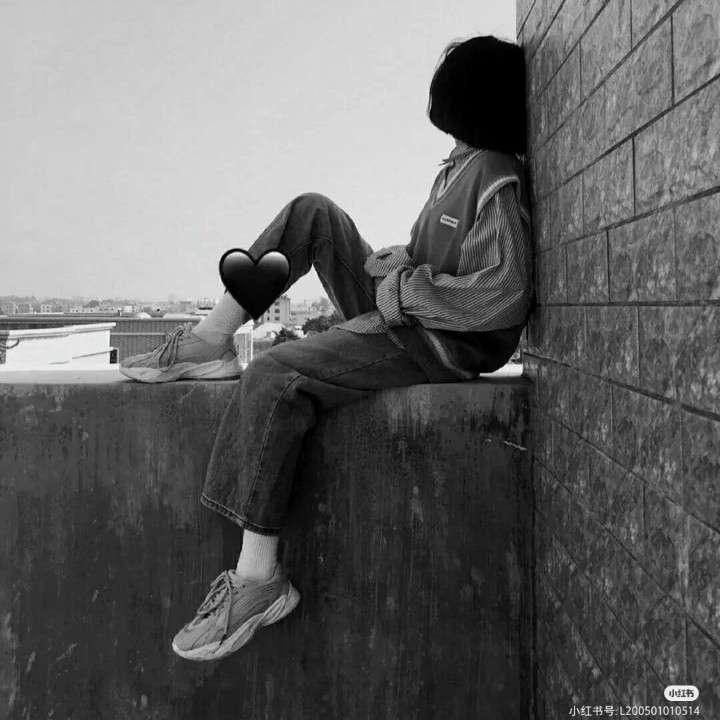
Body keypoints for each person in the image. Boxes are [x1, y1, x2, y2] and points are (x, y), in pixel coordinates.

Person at [119, 34, 535, 662]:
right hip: (409, 311)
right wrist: (399, 263)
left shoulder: (496, 177)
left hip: (438, 342)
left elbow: (503, 295)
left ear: (467, 104)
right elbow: (443, 256)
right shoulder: (459, 166)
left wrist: (405, 289)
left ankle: (258, 580)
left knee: (274, 375)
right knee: (313, 212)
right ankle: (210, 339)